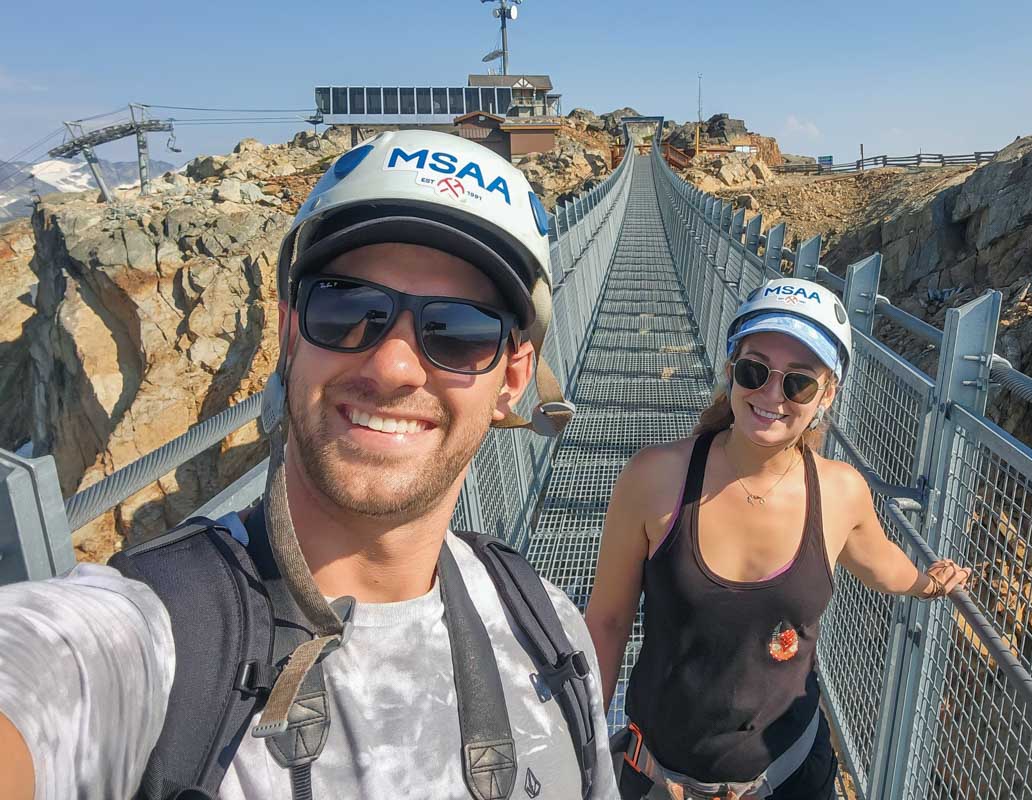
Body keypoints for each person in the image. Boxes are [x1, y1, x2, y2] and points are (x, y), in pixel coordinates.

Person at [0, 130, 618, 800]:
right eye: (348, 308)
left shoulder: (548, 625)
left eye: (459, 331)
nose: (393, 366)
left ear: (512, 379)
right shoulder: (159, 637)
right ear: (292, 332)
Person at [585, 278, 971, 800]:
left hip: (789, 778)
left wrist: (927, 583)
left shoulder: (839, 493)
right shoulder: (655, 478)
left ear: (827, 394)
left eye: (798, 383)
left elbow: (882, 566)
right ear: (730, 370)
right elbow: (606, 622)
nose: (771, 395)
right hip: (661, 779)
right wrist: (580, 741)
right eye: (755, 370)